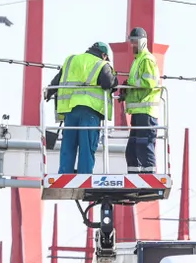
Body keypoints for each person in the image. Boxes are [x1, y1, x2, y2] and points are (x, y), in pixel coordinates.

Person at [45, 42, 116, 174]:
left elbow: (56, 81)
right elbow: (108, 82)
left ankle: (65, 174)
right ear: (104, 55)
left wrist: (48, 93)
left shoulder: (71, 60)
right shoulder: (101, 64)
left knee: (68, 146)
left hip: (71, 111)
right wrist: (115, 81)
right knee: (86, 147)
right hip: (90, 112)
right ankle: (84, 176)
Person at [122, 27, 162, 173]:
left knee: (144, 146)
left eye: (135, 42)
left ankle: (149, 177)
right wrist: (126, 90)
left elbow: (150, 82)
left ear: (142, 42)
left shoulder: (147, 60)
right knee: (132, 150)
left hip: (146, 111)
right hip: (138, 112)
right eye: (131, 42)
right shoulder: (138, 61)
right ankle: (134, 176)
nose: (132, 45)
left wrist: (130, 84)